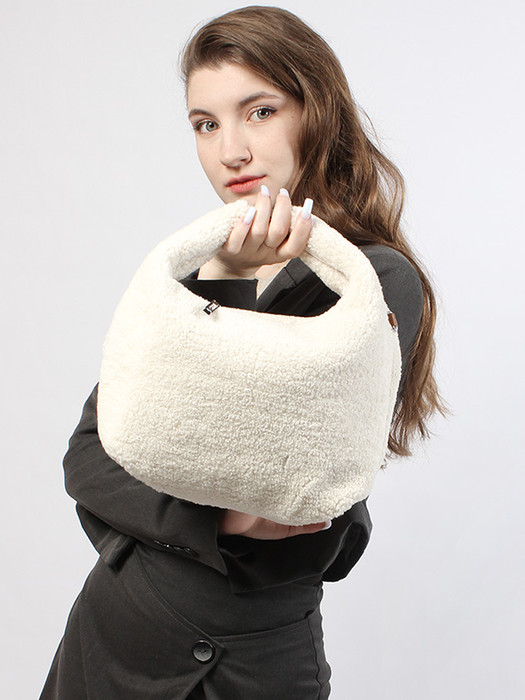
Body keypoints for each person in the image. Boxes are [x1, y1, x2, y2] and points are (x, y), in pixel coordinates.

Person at [40, 6, 447, 699]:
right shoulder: (204, 267)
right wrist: (224, 277)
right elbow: (89, 453)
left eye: (259, 112)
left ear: (317, 113)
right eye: (205, 124)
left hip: (244, 667)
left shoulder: (370, 282)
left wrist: (180, 508)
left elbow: (294, 488)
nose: (229, 150)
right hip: (108, 638)